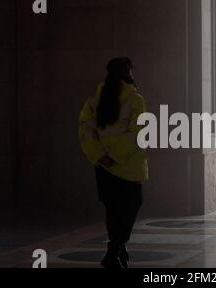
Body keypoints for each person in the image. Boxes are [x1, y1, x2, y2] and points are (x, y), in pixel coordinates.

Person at [79, 57, 148, 268]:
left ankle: (117, 248)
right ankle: (113, 252)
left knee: (113, 210)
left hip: (103, 166)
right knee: (131, 207)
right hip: (128, 166)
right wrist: (117, 156)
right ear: (128, 73)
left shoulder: (95, 99)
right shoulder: (135, 99)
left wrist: (101, 155)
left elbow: (85, 130)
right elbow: (139, 133)